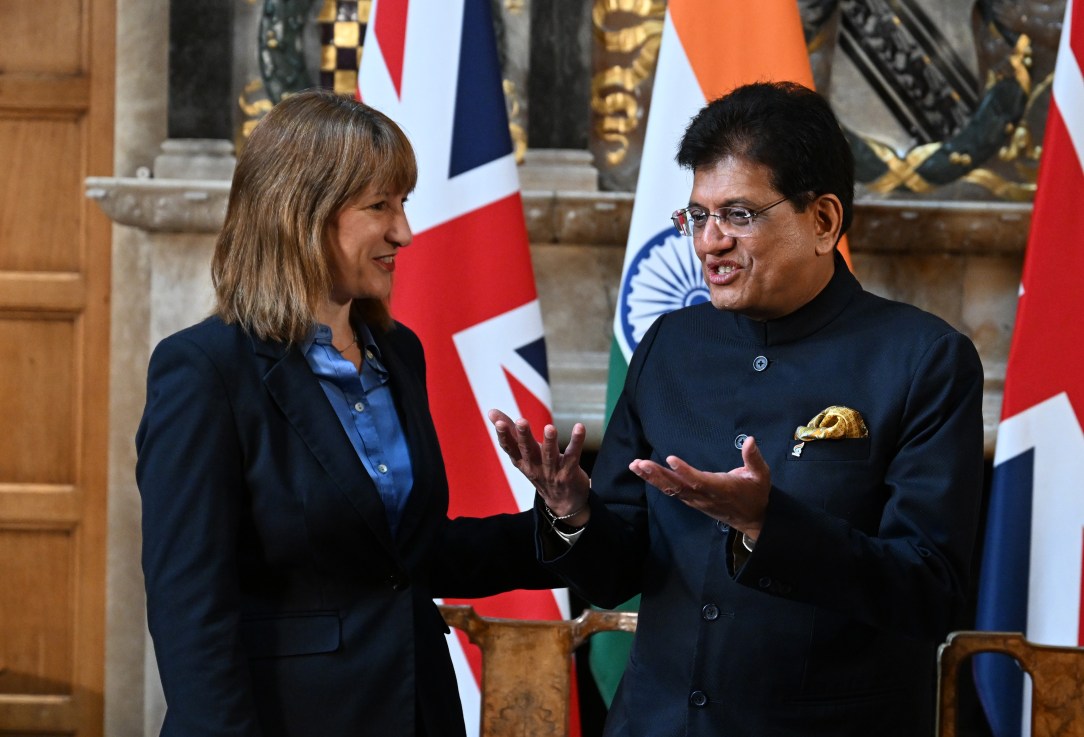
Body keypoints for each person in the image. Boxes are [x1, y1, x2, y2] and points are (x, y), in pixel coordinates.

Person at [489, 81, 984, 737]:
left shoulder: (924, 359)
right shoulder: (670, 345)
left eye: (739, 215)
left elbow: (931, 591)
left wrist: (770, 527)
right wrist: (572, 512)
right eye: (698, 215)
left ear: (824, 221)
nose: (709, 242)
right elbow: (616, 573)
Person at [136, 89, 556, 737]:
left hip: (420, 712)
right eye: (379, 206)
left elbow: (409, 554)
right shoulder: (204, 370)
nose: (404, 232)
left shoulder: (399, 353)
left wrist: (566, 521)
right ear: (299, 212)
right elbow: (190, 610)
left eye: (404, 204)